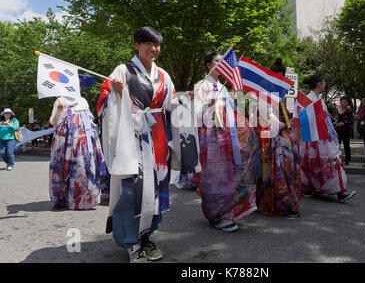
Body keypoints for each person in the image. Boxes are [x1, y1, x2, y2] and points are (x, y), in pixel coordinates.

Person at [98, 26, 179, 263]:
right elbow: (104, 103)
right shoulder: (122, 71)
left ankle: (145, 236)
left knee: (155, 191)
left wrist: (187, 101)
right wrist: (117, 94)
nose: (154, 49)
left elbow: (172, 105)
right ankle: (131, 242)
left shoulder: (164, 75)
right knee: (132, 191)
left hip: (158, 140)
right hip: (131, 140)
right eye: (149, 44)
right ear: (136, 45)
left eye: (157, 45)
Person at [192, 51, 259, 231]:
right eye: (216, 61)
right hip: (211, 138)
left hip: (227, 137)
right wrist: (208, 105)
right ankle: (216, 214)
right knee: (215, 176)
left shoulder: (223, 87)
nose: (221, 64)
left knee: (229, 174)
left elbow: (234, 113)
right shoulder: (201, 85)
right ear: (208, 64)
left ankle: (227, 214)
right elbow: (196, 114)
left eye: (223, 61)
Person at [298, 74, 356, 202]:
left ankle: (333, 190)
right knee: (330, 160)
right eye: (324, 81)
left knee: (319, 162)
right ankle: (338, 191)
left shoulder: (318, 99)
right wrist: (319, 114)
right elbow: (303, 118)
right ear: (319, 83)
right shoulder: (308, 99)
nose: (325, 83)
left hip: (322, 136)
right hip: (315, 137)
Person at [255, 58, 301, 218]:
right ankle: (285, 202)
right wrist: (279, 124)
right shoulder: (264, 92)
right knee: (279, 167)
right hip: (272, 135)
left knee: (289, 166)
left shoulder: (282, 93)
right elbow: (265, 114)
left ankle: (288, 201)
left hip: (284, 134)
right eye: (278, 76)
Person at [49, 96, 108, 210]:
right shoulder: (60, 100)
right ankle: (68, 199)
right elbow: (54, 122)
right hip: (66, 140)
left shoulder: (83, 100)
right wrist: (59, 110)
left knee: (86, 167)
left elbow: (90, 120)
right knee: (66, 168)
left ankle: (88, 199)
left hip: (84, 138)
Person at [334, 96, 354, 165]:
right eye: (342, 102)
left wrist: (343, 123)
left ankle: (347, 160)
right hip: (337, 131)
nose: (343, 103)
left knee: (346, 146)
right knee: (337, 145)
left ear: (348, 103)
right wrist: (335, 123)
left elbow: (351, 121)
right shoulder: (337, 110)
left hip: (346, 131)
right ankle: (337, 159)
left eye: (345, 102)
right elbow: (335, 119)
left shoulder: (349, 111)